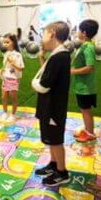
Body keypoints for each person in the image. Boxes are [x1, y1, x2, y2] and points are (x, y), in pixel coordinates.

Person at [32, 21, 71, 186]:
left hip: (53, 108)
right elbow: (48, 76)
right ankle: (54, 164)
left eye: (44, 34)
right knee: (51, 139)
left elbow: (44, 85)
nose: (42, 39)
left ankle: (62, 172)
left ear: (52, 34)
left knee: (55, 140)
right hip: (50, 106)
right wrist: (42, 58)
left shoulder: (59, 56)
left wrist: (34, 83)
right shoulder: (57, 55)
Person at [71, 19, 99, 143]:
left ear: (84, 32)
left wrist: (73, 71)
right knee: (84, 109)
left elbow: (90, 67)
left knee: (86, 110)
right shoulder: (84, 45)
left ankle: (90, 134)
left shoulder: (88, 47)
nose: (77, 32)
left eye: (79, 30)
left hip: (85, 87)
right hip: (81, 85)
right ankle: (88, 130)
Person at [0, 34, 24, 122]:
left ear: (13, 42)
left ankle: (13, 114)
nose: (5, 44)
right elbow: (6, 66)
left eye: (7, 42)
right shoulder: (6, 53)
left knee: (13, 97)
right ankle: (5, 112)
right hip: (5, 78)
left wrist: (13, 63)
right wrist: (1, 70)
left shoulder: (18, 55)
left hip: (13, 79)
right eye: (4, 42)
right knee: (3, 97)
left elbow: (21, 68)